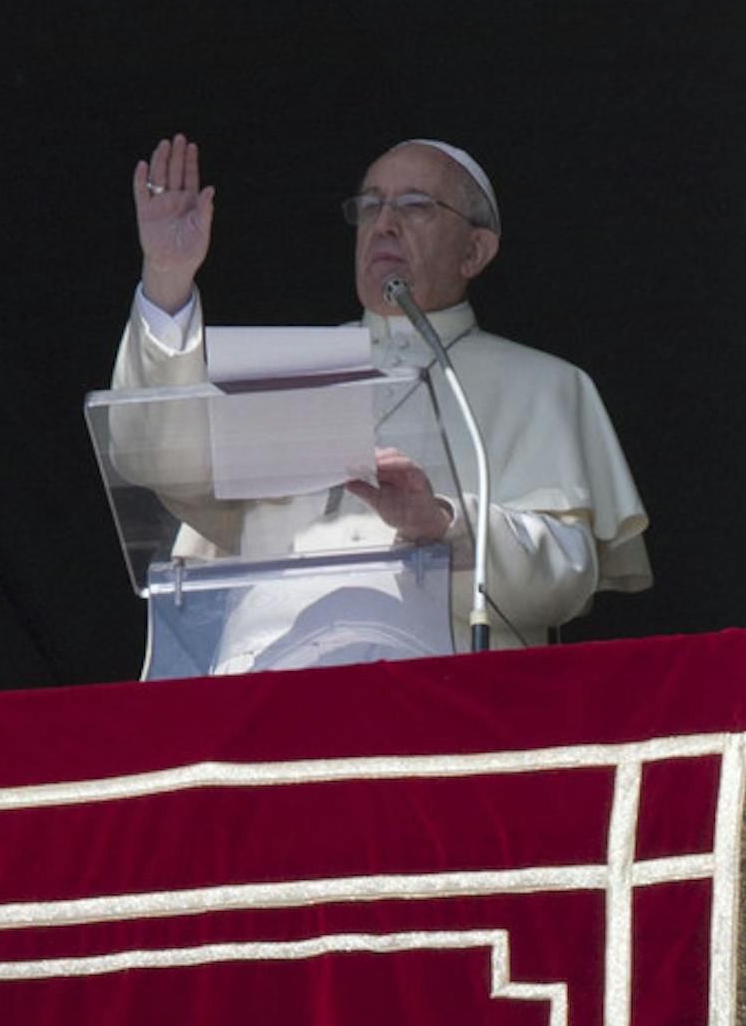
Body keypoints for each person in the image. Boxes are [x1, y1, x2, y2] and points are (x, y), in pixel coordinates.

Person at [109, 136, 650, 657]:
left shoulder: (544, 386)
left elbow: (563, 584)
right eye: (369, 207)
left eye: (414, 206)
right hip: (265, 675)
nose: (383, 224)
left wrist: (440, 522)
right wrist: (167, 280)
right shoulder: (287, 370)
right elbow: (162, 465)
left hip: (434, 695)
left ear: (474, 251)